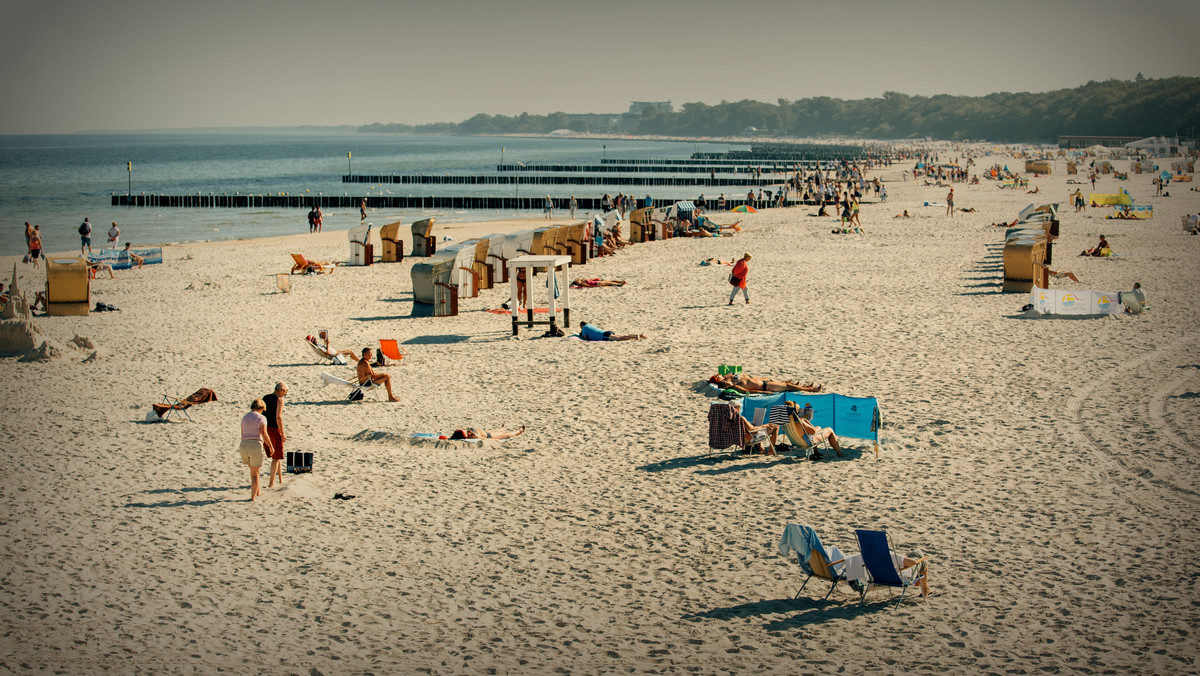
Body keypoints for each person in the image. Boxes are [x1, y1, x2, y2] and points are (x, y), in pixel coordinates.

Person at [239, 399, 274, 502]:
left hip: (244, 444)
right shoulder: (262, 418)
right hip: (255, 444)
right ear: (262, 408)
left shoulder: (245, 417)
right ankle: (253, 497)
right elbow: (264, 433)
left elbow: (242, 433)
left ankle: (258, 491)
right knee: (256, 474)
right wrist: (270, 446)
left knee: (253, 470)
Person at [262, 382, 287, 488]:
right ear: (281, 391)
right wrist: (283, 433)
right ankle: (271, 483)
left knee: (277, 455)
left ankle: (281, 479)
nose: (285, 394)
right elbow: (278, 418)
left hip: (265, 428)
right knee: (276, 457)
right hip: (274, 428)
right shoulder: (279, 400)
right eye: (285, 392)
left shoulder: (265, 397)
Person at [710, 374, 822, 394]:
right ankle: (811, 390)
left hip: (764, 382)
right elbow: (749, 391)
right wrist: (765, 392)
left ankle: (806, 387)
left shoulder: (735, 382)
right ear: (726, 386)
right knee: (787, 387)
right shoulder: (737, 387)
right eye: (725, 382)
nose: (726, 380)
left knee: (786, 385)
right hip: (765, 386)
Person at [578, 320, 645, 341]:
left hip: (604, 336)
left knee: (620, 338)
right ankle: (637, 335)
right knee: (621, 336)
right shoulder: (590, 325)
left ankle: (635, 337)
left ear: (581, 326)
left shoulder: (584, 328)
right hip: (606, 332)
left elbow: (585, 337)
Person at [449, 425, 526, 440]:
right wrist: (477, 436)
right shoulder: (472, 435)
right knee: (506, 435)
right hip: (489, 435)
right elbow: (484, 439)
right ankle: (519, 431)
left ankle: (500, 429)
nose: (465, 429)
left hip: (486, 433)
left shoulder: (470, 433)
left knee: (499, 432)